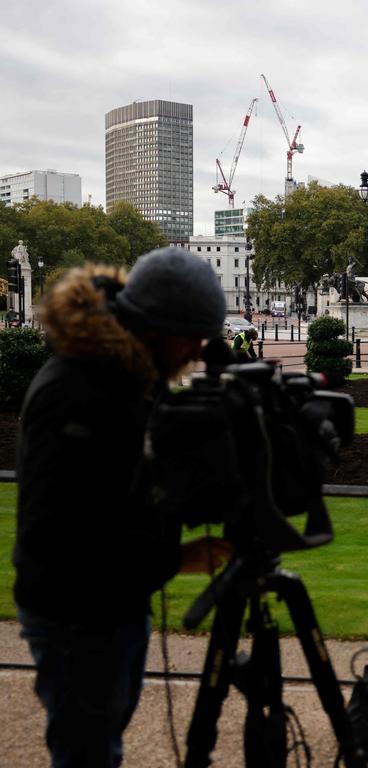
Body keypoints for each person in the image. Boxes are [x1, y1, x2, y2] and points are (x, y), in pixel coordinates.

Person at [14, 247, 233, 767]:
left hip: (113, 600)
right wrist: (175, 559)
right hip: (76, 611)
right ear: (156, 329)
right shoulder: (78, 389)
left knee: (99, 743)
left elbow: (129, 493)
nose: (200, 350)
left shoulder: (124, 378)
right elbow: (64, 534)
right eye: (192, 335)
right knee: (89, 754)